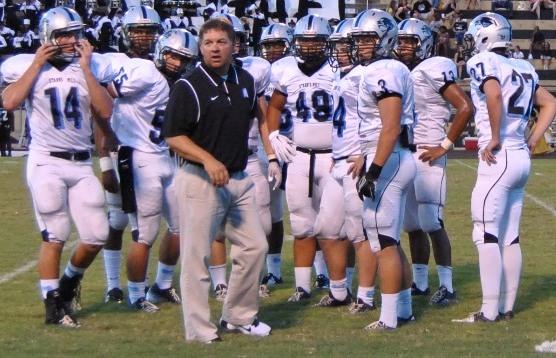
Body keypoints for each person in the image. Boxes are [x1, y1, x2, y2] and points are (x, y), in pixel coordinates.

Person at [0, 6, 114, 327]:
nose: (70, 40)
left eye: (74, 34)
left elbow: (105, 110)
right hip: (46, 160)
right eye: (63, 34)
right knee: (56, 234)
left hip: (80, 163)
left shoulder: (87, 66)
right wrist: (37, 63)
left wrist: (88, 70)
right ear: (48, 35)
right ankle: (52, 305)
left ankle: (67, 282)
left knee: (96, 235)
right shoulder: (28, 66)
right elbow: (8, 101)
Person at [163, 18, 271, 343]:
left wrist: (273, 152)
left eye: (221, 42)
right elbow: (173, 136)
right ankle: (199, 329)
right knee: (197, 257)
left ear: (234, 45)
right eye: (208, 42)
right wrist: (208, 159)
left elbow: (259, 115)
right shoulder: (189, 85)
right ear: (200, 47)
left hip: (238, 178)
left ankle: (238, 316)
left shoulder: (246, 79)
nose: (214, 48)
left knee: (255, 247)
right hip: (200, 180)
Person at [454, 12, 556, 323]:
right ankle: (507, 306)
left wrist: (496, 136)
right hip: (520, 157)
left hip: (498, 157)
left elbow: (494, 94)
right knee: (509, 235)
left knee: (484, 232)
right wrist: (532, 139)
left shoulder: (484, 62)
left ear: (486, 36)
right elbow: (550, 102)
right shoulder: (523, 65)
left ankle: (488, 311)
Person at [205, 13, 281, 301]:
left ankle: (256, 277)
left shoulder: (254, 72)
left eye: (231, 39)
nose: (225, 47)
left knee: (261, 223)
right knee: (217, 224)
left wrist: (271, 155)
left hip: (249, 156)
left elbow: (262, 117)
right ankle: (221, 282)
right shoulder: (201, 76)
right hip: (216, 158)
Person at [397, 18, 473, 305]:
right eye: (401, 40)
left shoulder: (433, 68)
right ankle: (420, 283)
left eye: (410, 41)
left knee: (431, 220)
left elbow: (465, 107)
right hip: (405, 151)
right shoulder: (398, 71)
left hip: (428, 151)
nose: (403, 46)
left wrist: (445, 145)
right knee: (411, 224)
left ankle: (447, 286)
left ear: (425, 43)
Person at [266, 14, 341, 303]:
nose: (308, 47)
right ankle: (302, 287)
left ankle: (338, 285)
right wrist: (273, 136)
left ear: (325, 43)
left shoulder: (336, 70)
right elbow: (273, 106)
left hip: (332, 156)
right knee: (300, 224)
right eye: (304, 41)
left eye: (315, 41)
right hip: (298, 156)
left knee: (335, 226)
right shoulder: (285, 71)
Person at [351, 8, 416, 330]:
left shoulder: (384, 70)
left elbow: (389, 127)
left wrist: (373, 170)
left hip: (389, 159)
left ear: (384, 39)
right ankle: (403, 309)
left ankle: (388, 318)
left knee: (383, 242)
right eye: (359, 39)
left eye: (367, 39)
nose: (361, 45)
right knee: (389, 238)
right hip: (393, 157)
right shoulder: (389, 68)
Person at [325, 18, 378, 312]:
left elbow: (383, 119)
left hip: (357, 161)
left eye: (346, 46)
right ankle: (339, 291)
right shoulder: (345, 75)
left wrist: (365, 153)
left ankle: (366, 297)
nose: (341, 52)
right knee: (328, 229)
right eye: (338, 47)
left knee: (363, 234)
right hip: (339, 160)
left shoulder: (368, 74)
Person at [258, 22, 293, 295]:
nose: (272, 51)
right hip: (267, 147)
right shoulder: (257, 70)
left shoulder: (296, 67)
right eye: (268, 46)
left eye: (277, 45)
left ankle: (320, 273)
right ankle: (272, 270)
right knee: (269, 212)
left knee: (307, 212)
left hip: (298, 146)